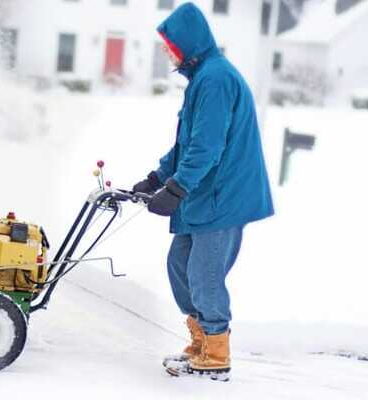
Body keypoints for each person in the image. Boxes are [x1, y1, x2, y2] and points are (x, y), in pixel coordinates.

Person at [132, 2, 274, 381]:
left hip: (223, 195)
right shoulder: (203, 78)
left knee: (204, 273)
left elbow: (206, 148)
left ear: (187, 44)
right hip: (207, 190)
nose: (166, 51)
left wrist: (176, 189)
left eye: (169, 44)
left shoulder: (214, 80)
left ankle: (215, 354)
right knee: (180, 264)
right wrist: (157, 177)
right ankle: (200, 340)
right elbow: (188, 143)